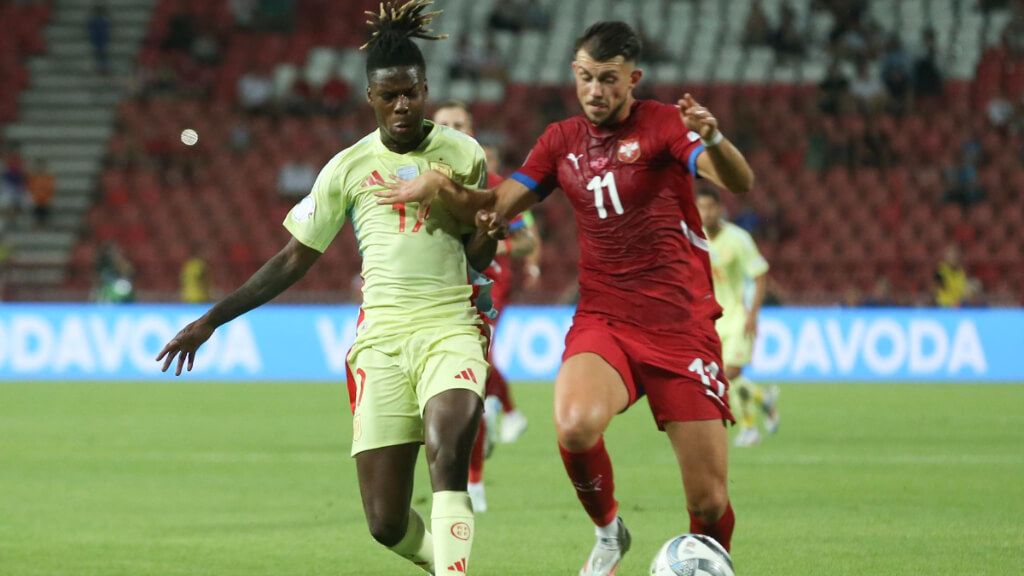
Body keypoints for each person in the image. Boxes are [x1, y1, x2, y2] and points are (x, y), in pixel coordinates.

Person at [377, 21, 755, 575]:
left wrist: (715, 139)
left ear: (633, 79)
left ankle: (705, 558)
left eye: (608, 79)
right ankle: (609, 532)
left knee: (709, 503)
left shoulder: (665, 126)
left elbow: (736, 183)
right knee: (574, 424)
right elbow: (497, 205)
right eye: (585, 77)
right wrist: (444, 189)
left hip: (681, 325)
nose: (595, 90)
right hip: (605, 318)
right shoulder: (561, 141)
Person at [156, 3, 497, 574]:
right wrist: (212, 319)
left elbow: (480, 252)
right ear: (371, 98)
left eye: (411, 92)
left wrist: (477, 220)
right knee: (386, 523)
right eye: (389, 96)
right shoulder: (347, 167)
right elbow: (294, 259)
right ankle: (445, 562)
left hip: (450, 328)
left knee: (446, 450)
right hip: (381, 343)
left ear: (426, 88)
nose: (402, 105)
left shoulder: (463, 155)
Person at [432, 100, 537, 513]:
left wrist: (501, 240)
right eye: (444, 124)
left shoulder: (496, 185)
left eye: (460, 123)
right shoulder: (415, 178)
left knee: (469, 385)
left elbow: (527, 239)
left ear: (472, 129)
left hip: (478, 299)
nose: (453, 129)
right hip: (426, 297)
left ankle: (472, 481)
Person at [696, 188, 778, 448]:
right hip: (712, 319)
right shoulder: (695, 239)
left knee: (729, 373)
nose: (705, 213)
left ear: (720, 209)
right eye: (701, 208)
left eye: (710, 207)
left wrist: (753, 313)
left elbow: (759, 274)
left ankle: (749, 429)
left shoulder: (739, 239)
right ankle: (761, 400)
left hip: (738, 317)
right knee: (721, 377)